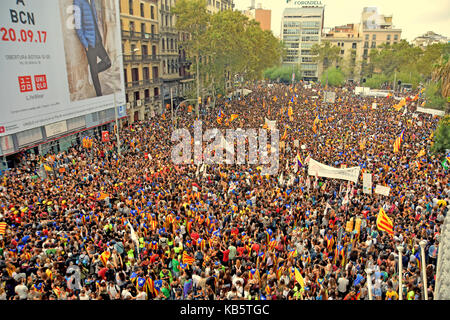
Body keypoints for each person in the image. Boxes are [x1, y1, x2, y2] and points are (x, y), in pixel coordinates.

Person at [73, 0, 111, 96]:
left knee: (108, 62)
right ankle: (99, 94)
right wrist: (85, 44)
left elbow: (95, 20)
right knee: (95, 75)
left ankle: (93, 71)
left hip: (97, 39)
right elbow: (78, 26)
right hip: (89, 43)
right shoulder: (78, 2)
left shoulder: (92, 1)